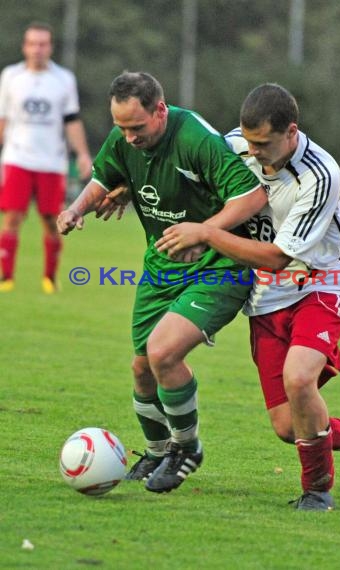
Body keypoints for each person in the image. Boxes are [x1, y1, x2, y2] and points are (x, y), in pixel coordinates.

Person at [156, 83, 340, 510]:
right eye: (249, 142)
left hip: (321, 284)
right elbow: (186, 170)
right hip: (266, 298)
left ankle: (316, 490)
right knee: (289, 426)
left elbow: (278, 257)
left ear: (291, 132)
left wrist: (207, 233)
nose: (254, 151)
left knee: (300, 378)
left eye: (263, 143)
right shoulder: (234, 146)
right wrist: (122, 188)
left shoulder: (321, 175)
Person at [57, 71, 267, 493]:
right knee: (141, 369)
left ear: (160, 110)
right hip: (161, 265)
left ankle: (186, 447)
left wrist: (203, 231)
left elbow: (252, 196)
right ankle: (156, 452)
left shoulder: (196, 139)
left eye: (136, 127)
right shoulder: (124, 138)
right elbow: (103, 175)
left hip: (218, 266)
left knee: (163, 352)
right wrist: (77, 207)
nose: (128, 137)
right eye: (120, 128)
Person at [0, 22, 92, 293]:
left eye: (42, 44)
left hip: (52, 161)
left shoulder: (63, 79)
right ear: (24, 46)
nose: (37, 49)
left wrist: (83, 153)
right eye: (32, 43)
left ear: (50, 47)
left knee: (52, 221)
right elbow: (3, 119)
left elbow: (72, 120)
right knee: (13, 217)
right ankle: (6, 277)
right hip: (17, 158)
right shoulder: (11, 76)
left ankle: (50, 278)